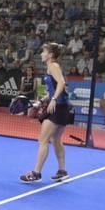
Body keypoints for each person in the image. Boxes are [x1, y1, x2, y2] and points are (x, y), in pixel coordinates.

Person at [21, 42, 73, 184]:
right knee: (56, 140)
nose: (42, 54)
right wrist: (43, 100)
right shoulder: (52, 67)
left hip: (58, 108)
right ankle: (62, 171)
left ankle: (36, 173)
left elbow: (61, 83)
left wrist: (54, 100)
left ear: (50, 54)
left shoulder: (53, 66)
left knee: (43, 140)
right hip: (62, 107)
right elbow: (54, 89)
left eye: (44, 51)